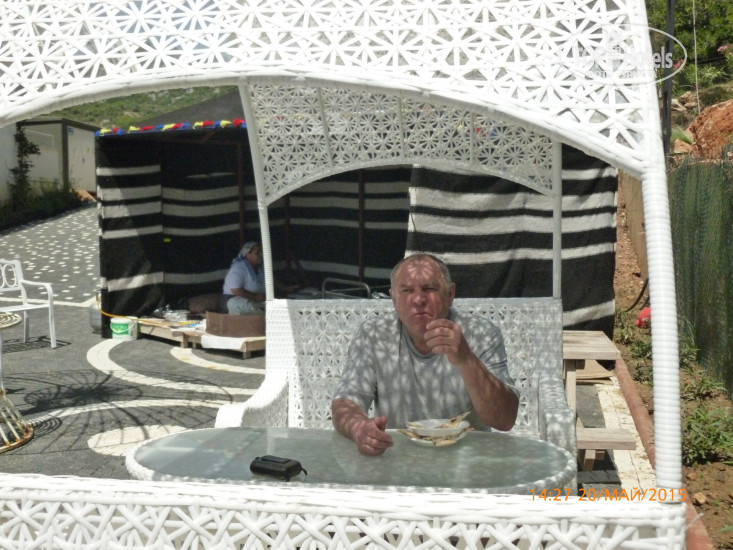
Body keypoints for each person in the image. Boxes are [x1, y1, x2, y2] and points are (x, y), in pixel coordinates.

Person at [331, 253, 519, 455]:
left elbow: (504, 419)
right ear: (393, 299)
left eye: (429, 289)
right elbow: (346, 401)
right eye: (406, 290)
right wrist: (360, 428)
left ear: (450, 295)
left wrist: (466, 359)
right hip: (398, 457)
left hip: (468, 458)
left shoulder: (480, 333)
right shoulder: (374, 334)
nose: (418, 299)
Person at [221, 241, 265, 315]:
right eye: (257, 253)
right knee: (249, 306)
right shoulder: (239, 267)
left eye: (261, 252)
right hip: (234, 299)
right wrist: (255, 297)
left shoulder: (261, 267)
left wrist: (284, 288)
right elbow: (235, 290)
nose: (261, 254)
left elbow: (272, 281)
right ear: (248, 255)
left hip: (255, 300)